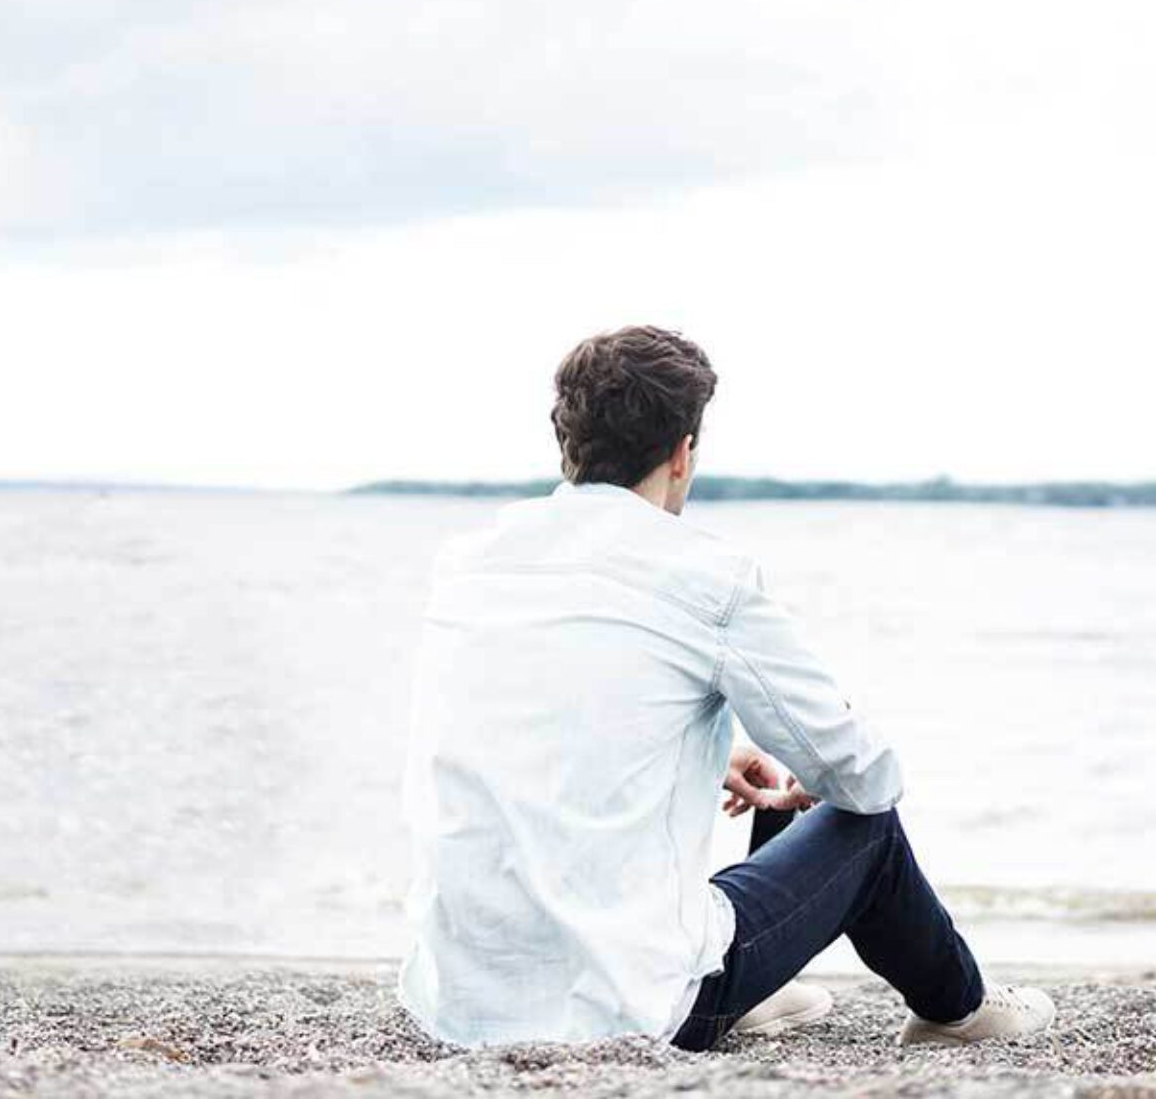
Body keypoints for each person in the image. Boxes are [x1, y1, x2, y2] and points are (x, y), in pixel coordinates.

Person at [397, 324, 1055, 1052]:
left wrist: (710, 753)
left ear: (568, 442)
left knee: (780, 782)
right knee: (869, 830)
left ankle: (762, 984)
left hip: (457, 998)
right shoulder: (704, 576)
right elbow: (864, 775)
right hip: (632, 1004)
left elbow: (535, 733)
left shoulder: (470, 563)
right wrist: (814, 768)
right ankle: (957, 1009)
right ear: (682, 453)